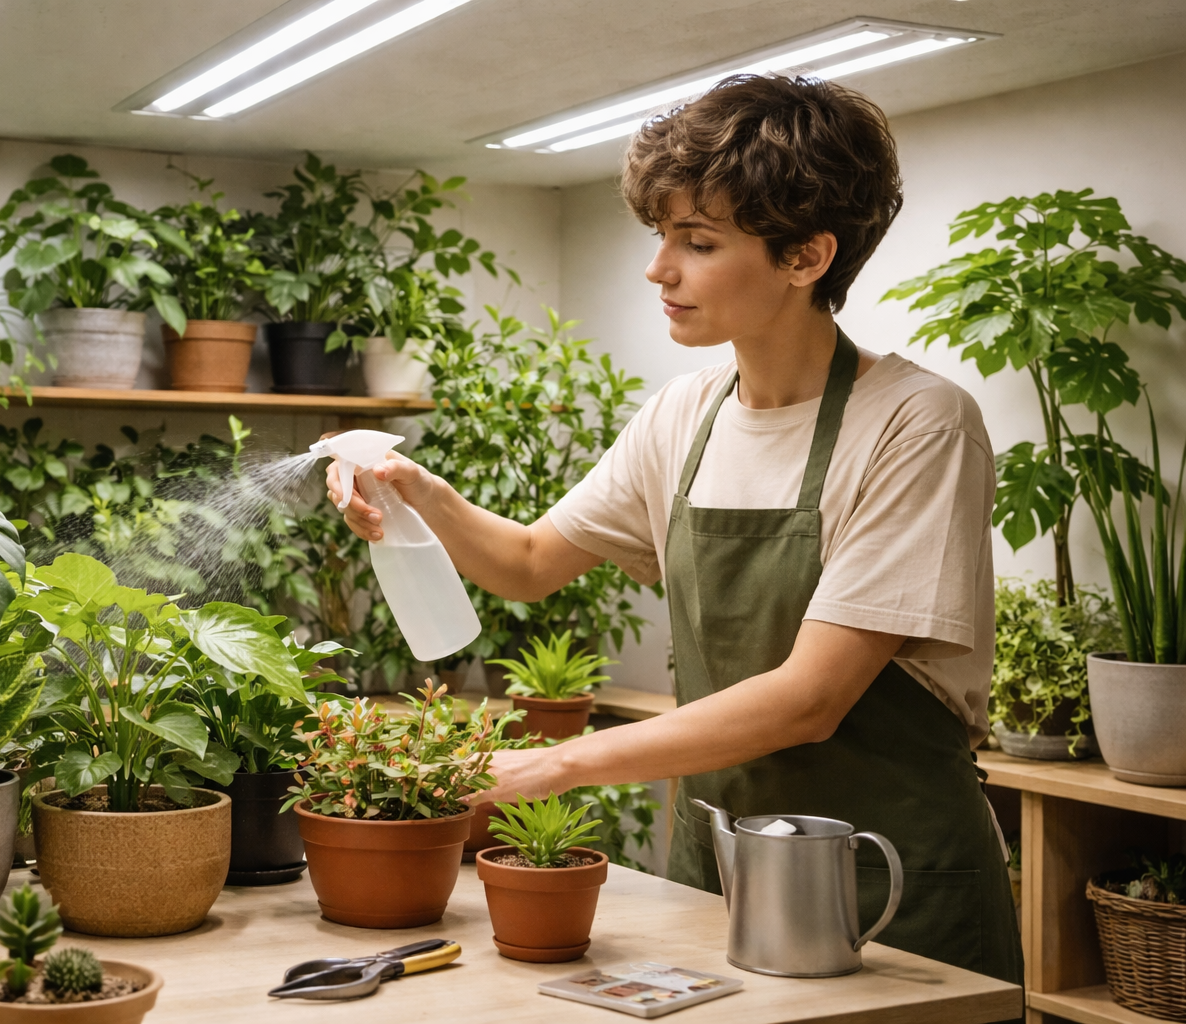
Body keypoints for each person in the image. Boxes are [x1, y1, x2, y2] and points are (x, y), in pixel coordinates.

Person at [325, 74, 1022, 986]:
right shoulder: (683, 416)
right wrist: (413, 491)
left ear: (806, 256)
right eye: (663, 238)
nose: (660, 270)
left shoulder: (916, 423)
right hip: (723, 877)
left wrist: (559, 765)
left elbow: (811, 698)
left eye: (698, 242)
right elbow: (531, 563)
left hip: (887, 890)